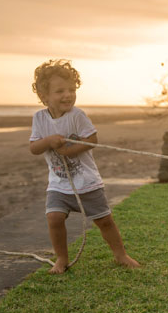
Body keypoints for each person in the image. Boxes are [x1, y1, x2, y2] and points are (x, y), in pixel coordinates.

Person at [29, 59, 140, 274]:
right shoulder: (39, 119)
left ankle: (121, 255)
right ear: (44, 97)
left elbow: (92, 139)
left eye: (71, 89)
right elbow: (34, 147)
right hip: (58, 183)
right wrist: (49, 141)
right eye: (60, 91)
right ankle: (61, 258)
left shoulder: (77, 116)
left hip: (87, 182)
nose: (68, 95)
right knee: (54, 218)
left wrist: (68, 151)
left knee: (105, 221)